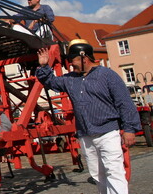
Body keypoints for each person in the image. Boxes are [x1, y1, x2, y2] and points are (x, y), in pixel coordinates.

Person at [36, 39, 141, 194]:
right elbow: (50, 81)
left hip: (108, 133)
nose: (71, 64)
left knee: (114, 171)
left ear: (84, 58)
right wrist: (44, 66)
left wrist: (129, 129)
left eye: (73, 61)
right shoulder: (70, 79)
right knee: (97, 174)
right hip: (86, 135)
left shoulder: (107, 75)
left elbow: (124, 103)